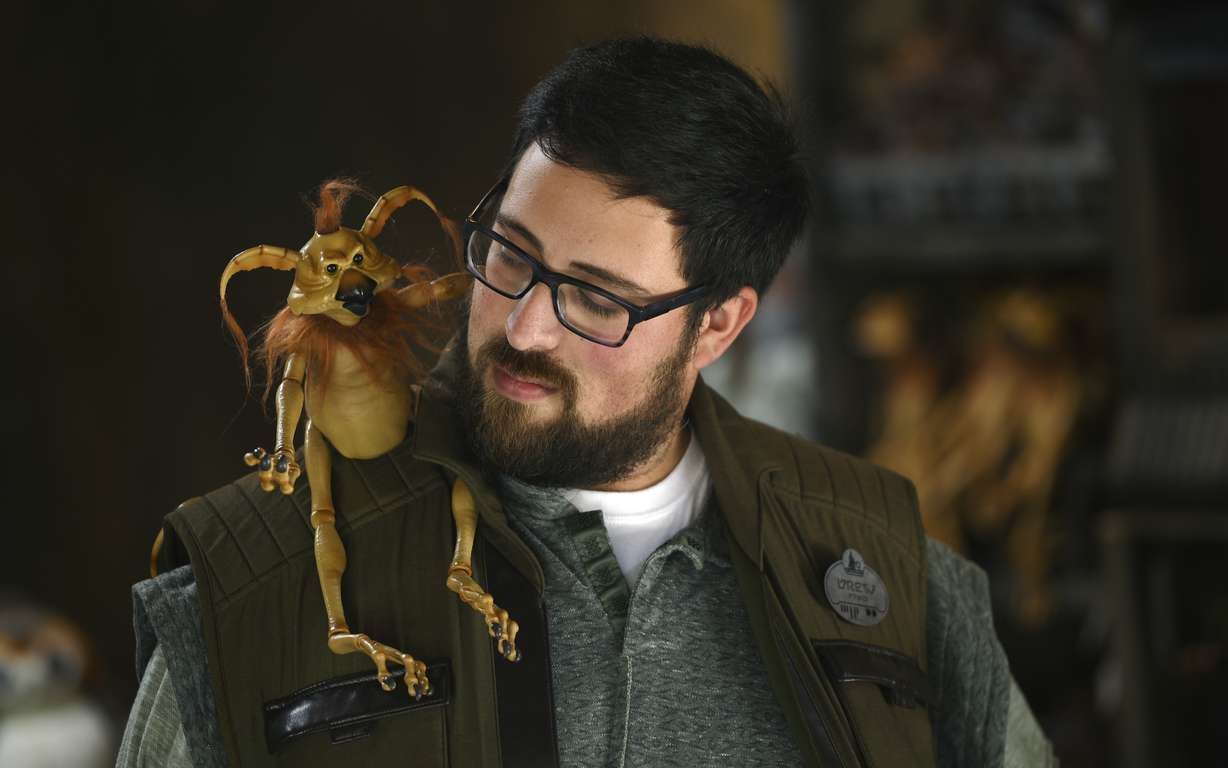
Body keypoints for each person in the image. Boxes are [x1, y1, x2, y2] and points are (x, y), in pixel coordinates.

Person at [118, 37, 1056, 767]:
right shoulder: (257, 583)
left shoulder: (888, 575)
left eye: (598, 299)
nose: (526, 329)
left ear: (720, 327)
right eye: (511, 256)